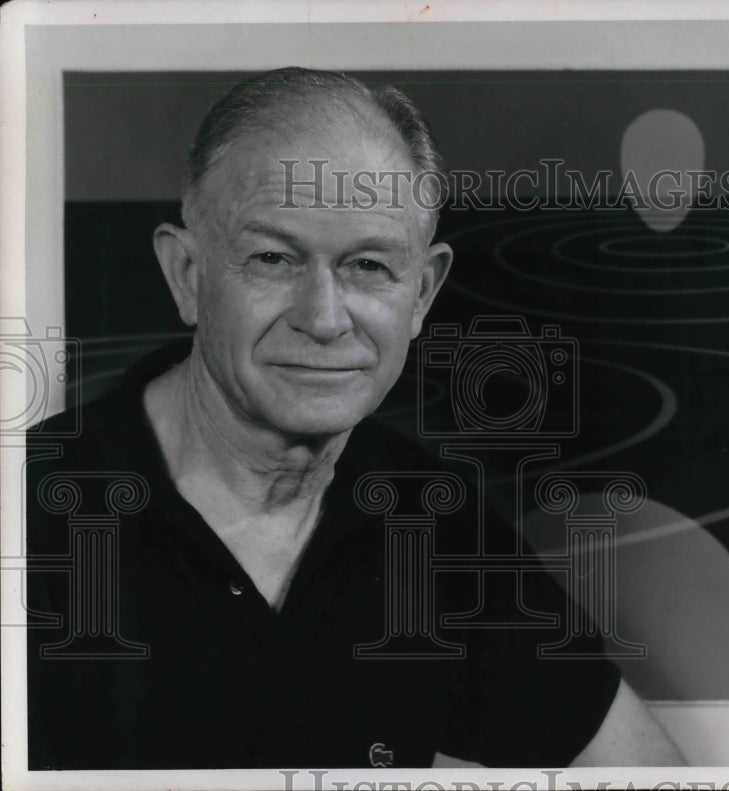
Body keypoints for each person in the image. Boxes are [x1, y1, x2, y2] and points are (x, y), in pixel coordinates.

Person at [26, 67, 684, 769]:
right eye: (273, 257)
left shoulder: (435, 519)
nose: (323, 317)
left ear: (422, 293)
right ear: (188, 274)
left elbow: (650, 773)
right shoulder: (24, 513)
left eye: (369, 265)